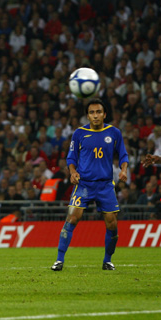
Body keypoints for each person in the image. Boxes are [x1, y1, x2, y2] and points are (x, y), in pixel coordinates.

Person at [51, 99, 129, 272]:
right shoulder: (79, 133)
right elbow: (71, 157)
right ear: (87, 115)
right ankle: (59, 260)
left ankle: (107, 260)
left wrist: (124, 170)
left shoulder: (114, 132)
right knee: (72, 217)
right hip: (84, 184)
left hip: (105, 186)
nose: (95, 115)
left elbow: (123, 155)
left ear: (104, 114)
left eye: (99, 112)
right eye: (92, 112)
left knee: (112, 224)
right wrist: (72, 171)